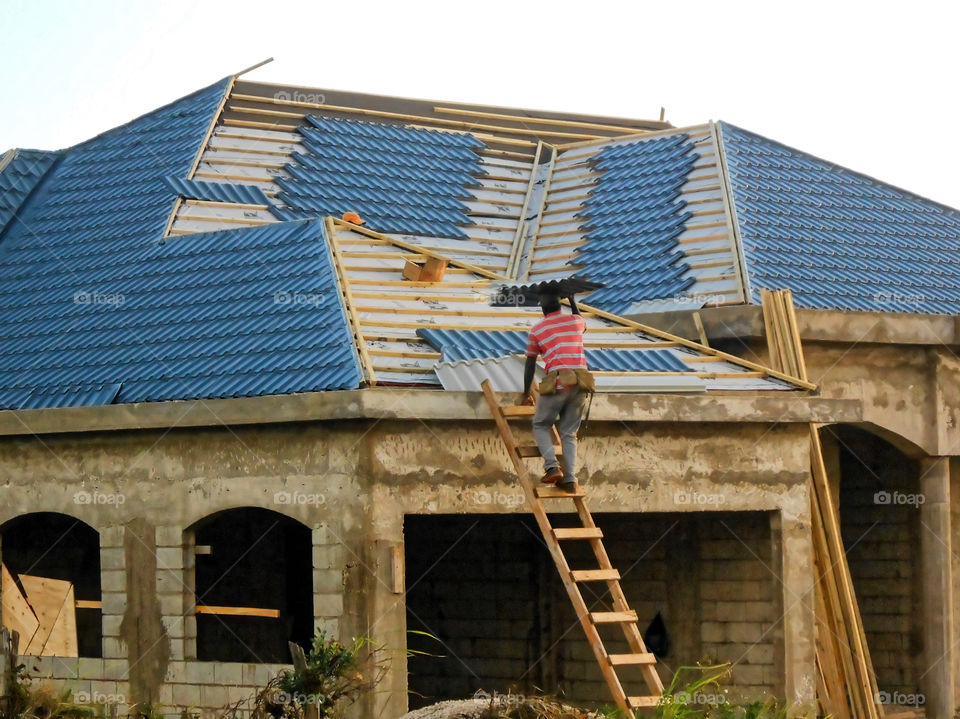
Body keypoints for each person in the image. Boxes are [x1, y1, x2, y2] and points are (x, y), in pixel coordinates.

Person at [523, 292, 589, 493]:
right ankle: (569, 479)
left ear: (543, 309)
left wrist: (526, 392)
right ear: (560, 306)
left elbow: (530, 364)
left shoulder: (537, 330)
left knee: (541, 423)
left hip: (558, 380)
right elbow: (582, 322)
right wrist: (572, 300)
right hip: (581, 381)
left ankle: (552, 467)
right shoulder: (575, 321)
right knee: (569, 433)